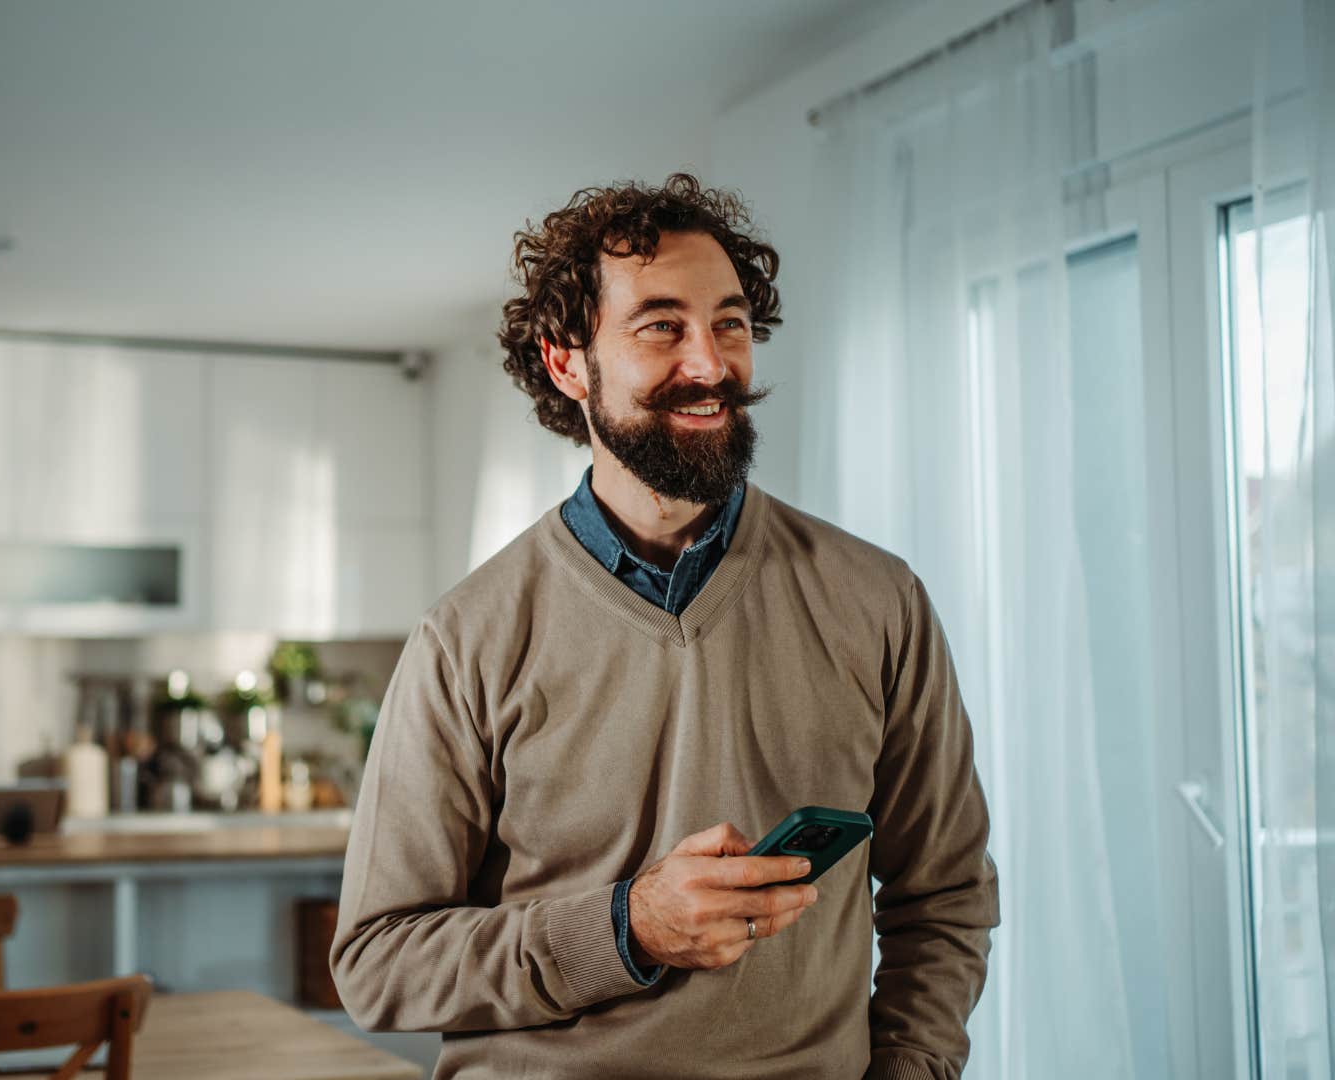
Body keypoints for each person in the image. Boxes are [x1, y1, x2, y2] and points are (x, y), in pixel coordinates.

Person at [329, 174, 998, 1079]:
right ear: (568, 363)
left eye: (729, 323)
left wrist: (910, 1067)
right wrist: (628, 927)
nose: (711, 364)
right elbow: (378, 963)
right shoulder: (466, 639)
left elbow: (946, 893)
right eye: (661, 327)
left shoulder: (878, 601)